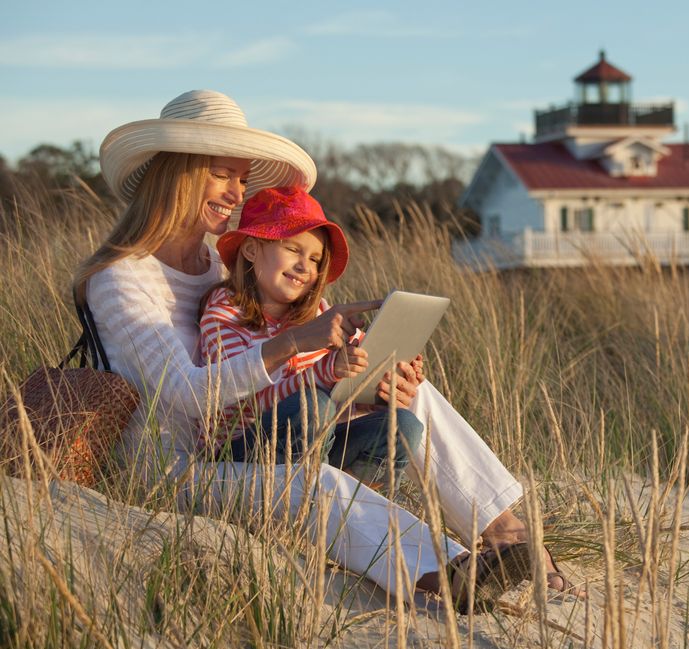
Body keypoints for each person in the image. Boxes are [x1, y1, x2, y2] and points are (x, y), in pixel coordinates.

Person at [74, 89, 578, 607]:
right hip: (179, 474)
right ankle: (449, 574)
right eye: (221, 173)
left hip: (256, 438)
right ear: (177, 171)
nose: (235, 192)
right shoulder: (121, 278)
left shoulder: (217, 265)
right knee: (312, 485)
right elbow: (185, 395)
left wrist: (367, 377)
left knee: (408, 390)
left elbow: (266, 336)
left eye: (241, 179)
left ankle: (507, 536)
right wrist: (297, 343)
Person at [198, 185, 419, 490]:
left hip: (311, 447)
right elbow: (246, 404)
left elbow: (333, 406)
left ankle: (344, 506)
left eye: (316, 259)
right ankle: (303, 498)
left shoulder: (319, 316)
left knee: (402, 426)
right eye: (292, 249)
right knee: (313, 405)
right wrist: (326, 373)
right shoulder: (224, 315)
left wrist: (375, 389)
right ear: (251, 250)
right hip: (238, 453)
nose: (305, 266)